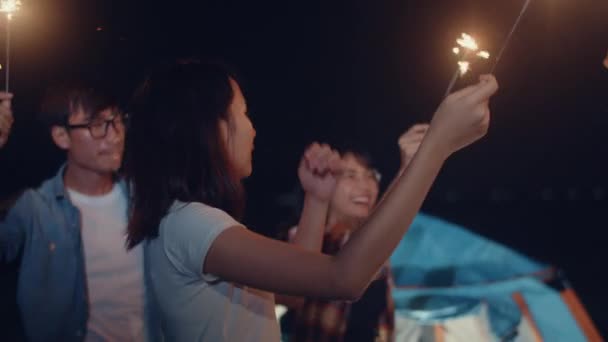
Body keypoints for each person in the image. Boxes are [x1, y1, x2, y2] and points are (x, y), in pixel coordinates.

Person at [124, 60, 498, 341]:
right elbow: (345, 278)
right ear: (211, 128)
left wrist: (316, 200)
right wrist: (436, 148)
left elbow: (295, 294)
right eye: (242, 113)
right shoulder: (193, 223)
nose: (253, 128)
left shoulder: (183, 222)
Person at [0, 83, 146, 341]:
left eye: (118, 121)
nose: (115, 136)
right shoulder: (35, 210)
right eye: (97, 125)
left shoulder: (143, 199)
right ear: (61, 136)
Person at [279, 124, 429, 341]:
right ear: (325, 179)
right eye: (351, 175)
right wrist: (408, 169)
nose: (365, 186)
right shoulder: (305, 241)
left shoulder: (376, 250)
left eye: (370, 175)